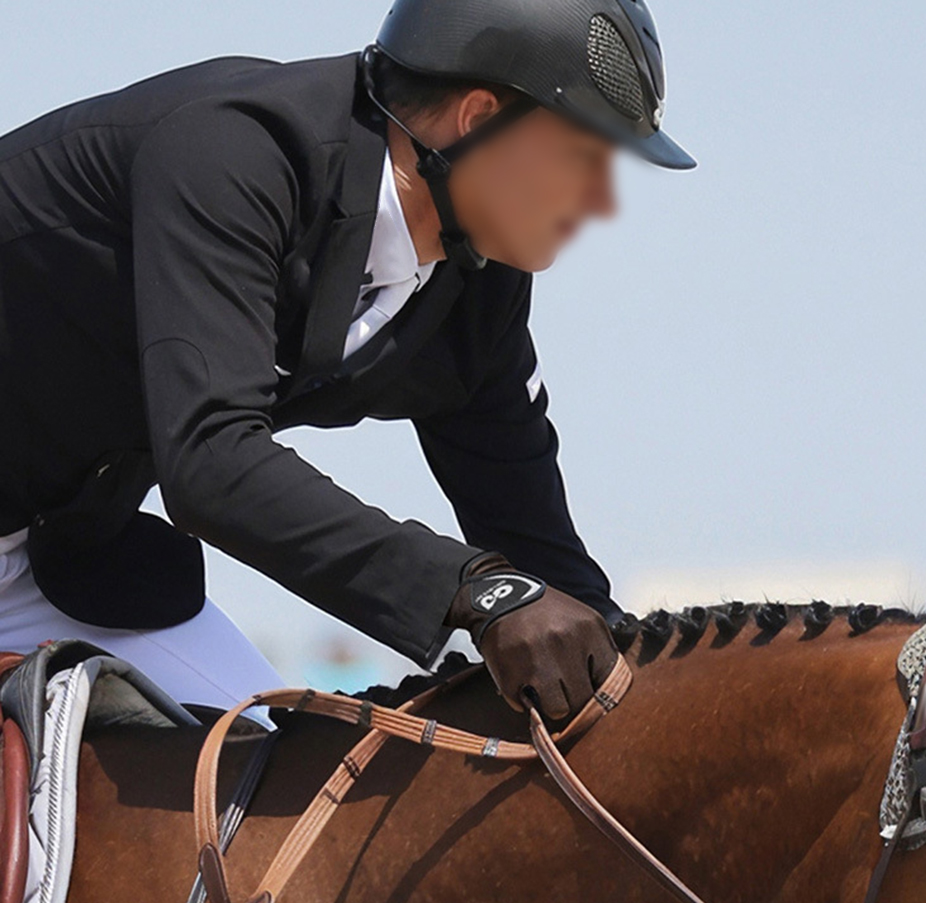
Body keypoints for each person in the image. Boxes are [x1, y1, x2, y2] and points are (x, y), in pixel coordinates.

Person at [0, 0, 695, 721]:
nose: (600, 201)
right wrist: (471, 588)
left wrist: (649, 693)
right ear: (479, 115)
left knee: (261, 779)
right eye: (583, 157)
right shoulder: (234, 153)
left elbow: (534, 544)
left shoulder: (476, 284)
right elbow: (211, 462)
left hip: (55, 564)